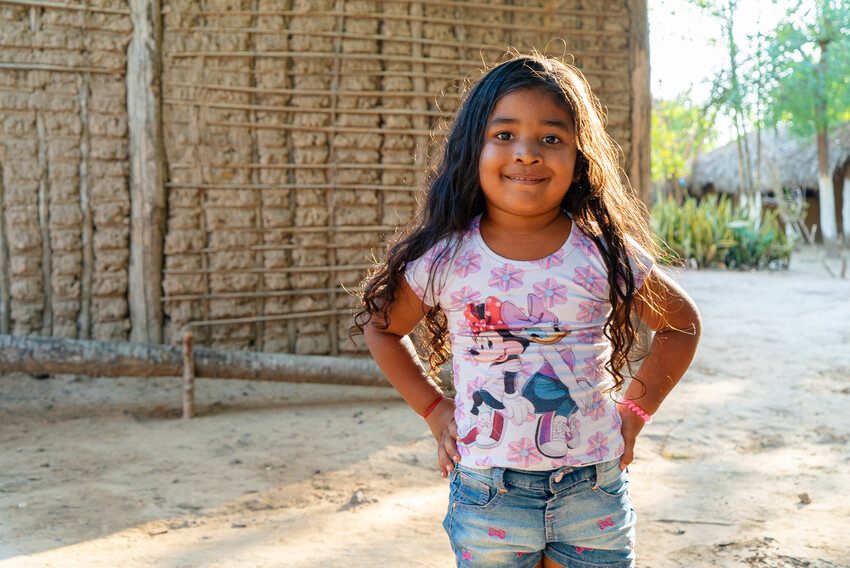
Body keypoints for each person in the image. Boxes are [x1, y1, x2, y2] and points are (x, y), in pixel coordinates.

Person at [352, 54, 701, 568]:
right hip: (489, 496)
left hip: (592, 491)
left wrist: (636, 412)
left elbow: (680, 325)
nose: (528, 154)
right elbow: (382, 328)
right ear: (473, 150)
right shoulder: (448, 257)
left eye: (552, 139)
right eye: (505, 135)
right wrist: (434, 408)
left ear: (581, 158)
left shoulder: (603, 253)